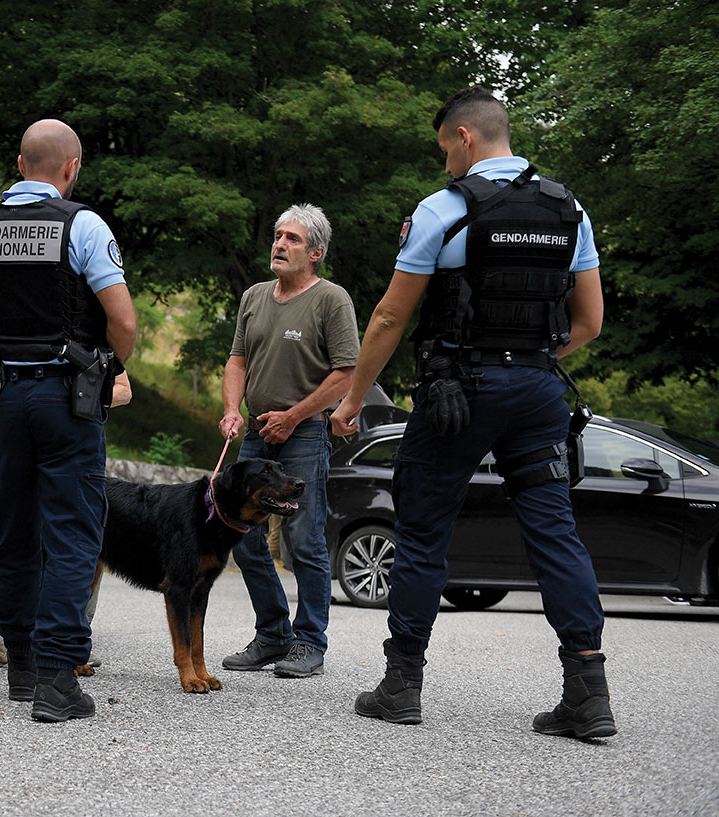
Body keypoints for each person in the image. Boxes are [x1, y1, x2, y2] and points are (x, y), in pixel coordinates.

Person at [331, 86, 614, 739]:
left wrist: (353, 399)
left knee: (424, 533)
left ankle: (401, 684)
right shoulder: (570, 209)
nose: (445, 166)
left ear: (464, 137)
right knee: (554, 532)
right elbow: (590, 321)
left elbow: (391, 316)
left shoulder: (442, 209)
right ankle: (589, 694)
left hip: (458, 391)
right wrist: (532, 357)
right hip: (539, 391)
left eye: (444, 151)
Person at [0, 119, 137, 723]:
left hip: (4, 399)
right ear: (71, 169)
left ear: (21, 163)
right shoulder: (82, 225)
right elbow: (124, 323)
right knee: (74, 531)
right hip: (67, 400)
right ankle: (59, 677)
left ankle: (22, 665)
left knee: (15, 526)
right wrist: (103, 368)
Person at [218, 204, 358, 678]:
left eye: (293, 239)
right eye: (278, 236)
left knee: (302, 541)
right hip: (256, 433)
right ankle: (274, 635)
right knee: (242, 535)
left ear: (315, 252)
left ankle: (310, 642)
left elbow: (346, 372)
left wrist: (296, 415)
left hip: (303, 435)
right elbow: (237, 360)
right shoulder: (254, 296)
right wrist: (233, 409)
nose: (279, 244)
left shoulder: (331, 299)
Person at [0, 369, 132, 669]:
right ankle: (14, 642)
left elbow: (124, 389)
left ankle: (69, 637)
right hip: (28, 428)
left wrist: (84, 397)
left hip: (72, 432)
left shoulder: (88, 334)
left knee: (80, 538)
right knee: (29, 535)